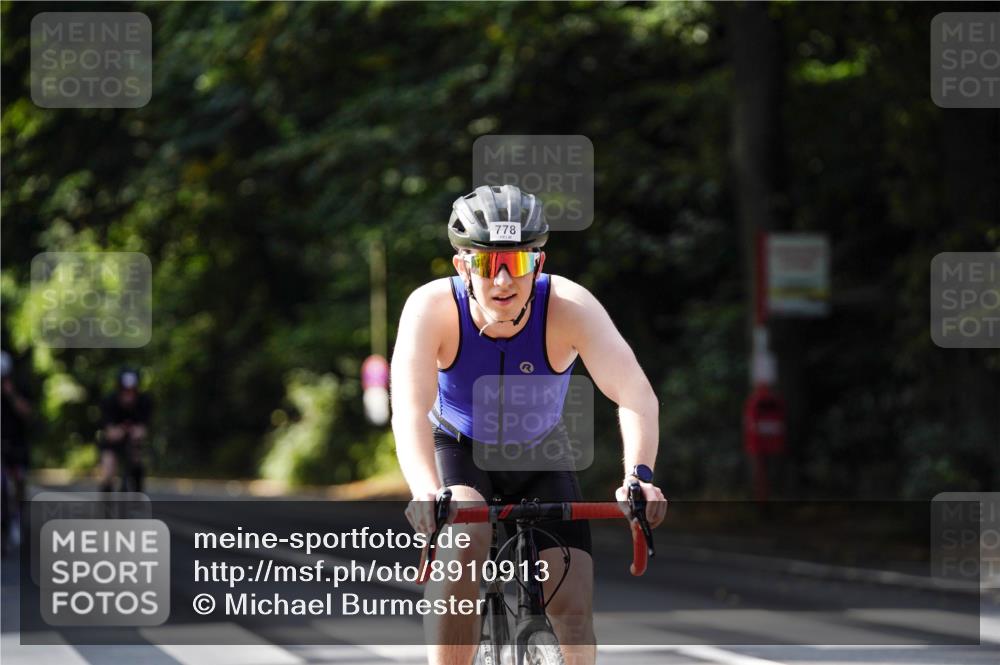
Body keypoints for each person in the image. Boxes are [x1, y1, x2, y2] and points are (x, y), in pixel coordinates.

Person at [391, 184, 667, 665]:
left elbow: (635, 394)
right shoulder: (431, 308)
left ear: (538, 265)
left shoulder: (569, 307)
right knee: (464, 533)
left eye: (516, 263)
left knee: (574, 609)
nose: (502, 281)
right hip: (459, 445)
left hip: (540, 450)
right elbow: (410, 410)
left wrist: (638, 476)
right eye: (486, 263)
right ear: (462, 266)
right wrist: (424, 491)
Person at [98, 367, 153, 493]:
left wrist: (138, 432)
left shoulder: (144, 401)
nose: (128, 394)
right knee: (108, 468)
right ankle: (106, 501)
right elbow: (109, 431)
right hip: (112, 443)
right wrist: (120, 430)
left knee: (137, 457)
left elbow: (144, 428)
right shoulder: (109, 401)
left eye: (132, 391)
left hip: (133, 442)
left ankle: (137, 492)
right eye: (125, 391)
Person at [1, 350, 32, 553]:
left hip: (16, 443)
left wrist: (11, 394)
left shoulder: (18, 387)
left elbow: (27, 413)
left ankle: (18, 519)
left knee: (19, 481)